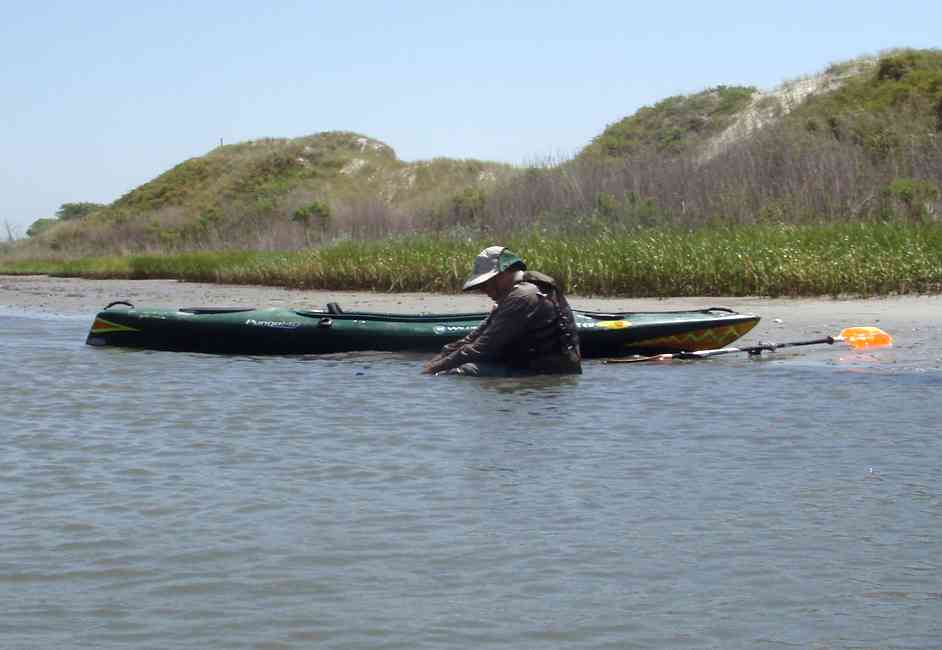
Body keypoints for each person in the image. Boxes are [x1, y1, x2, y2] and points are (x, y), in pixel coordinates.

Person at [422, 246, 582, 376]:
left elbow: (481, 348)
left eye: (486, 284)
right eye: (480, 287)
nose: (484, 291)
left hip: (548, 373)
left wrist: (433, 370)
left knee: (463, 371)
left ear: (505, 273)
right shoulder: (512, 296)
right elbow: (473, 338)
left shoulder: (523, 296)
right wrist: (439, 358)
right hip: (527, 365)